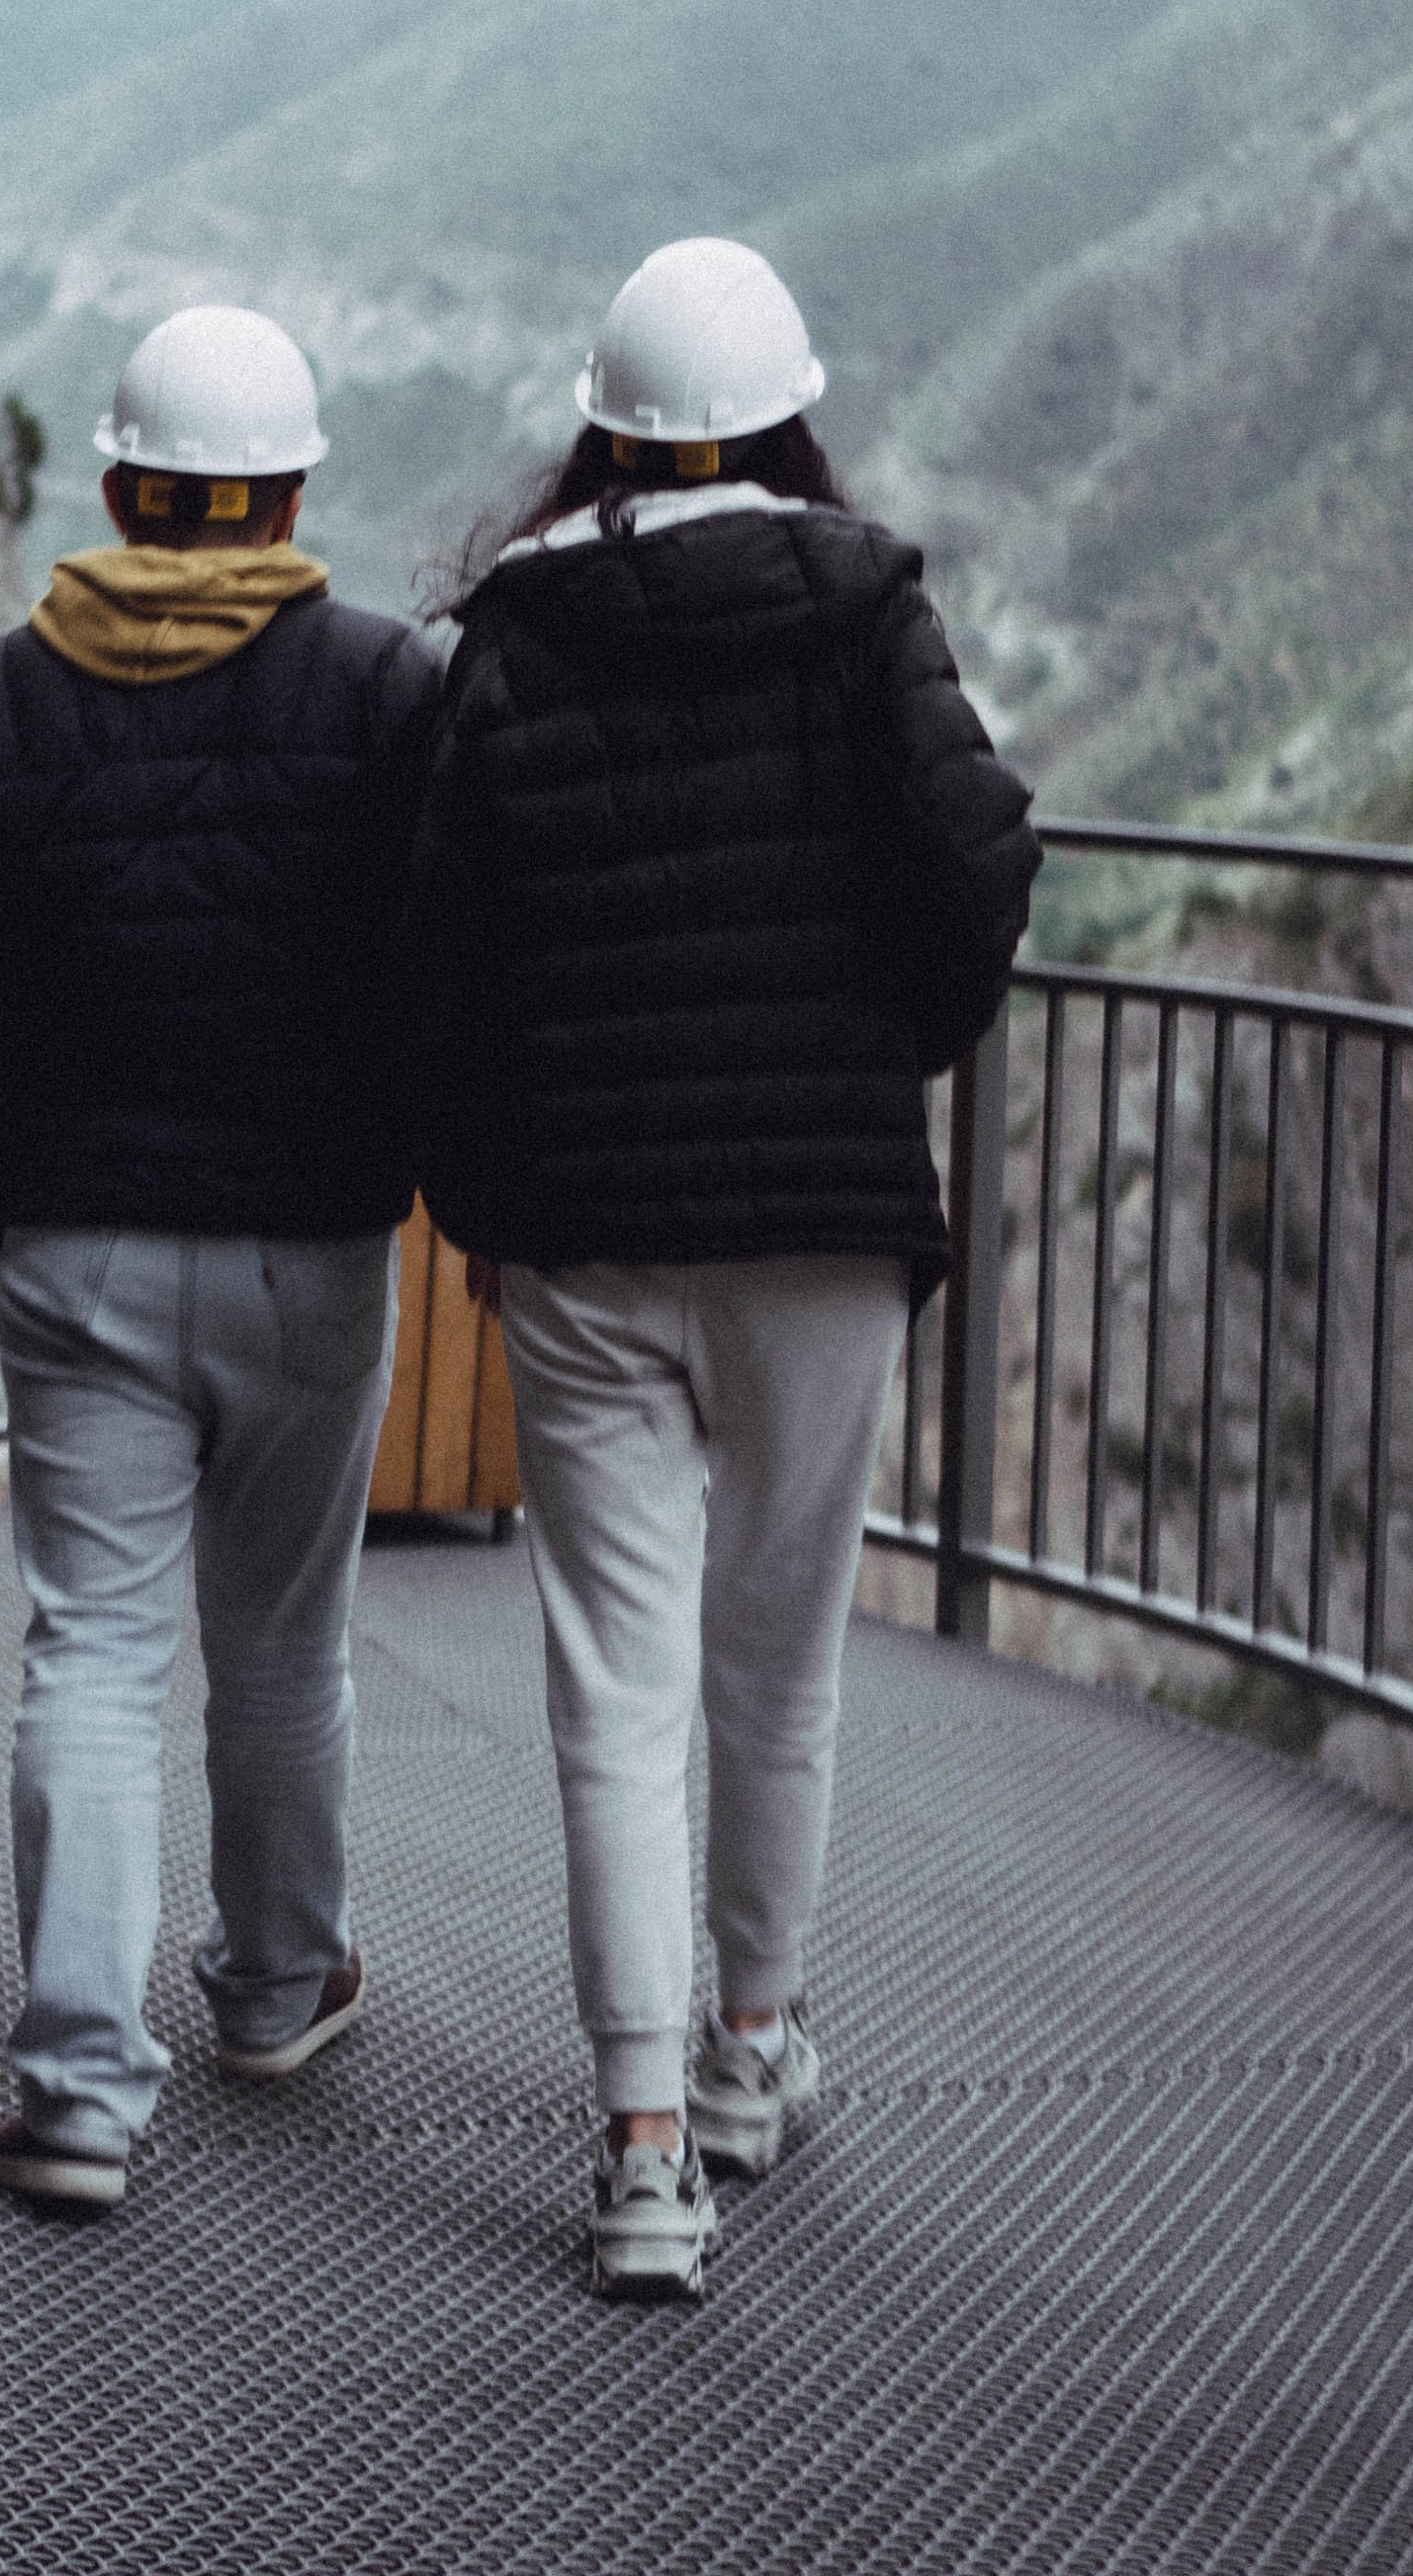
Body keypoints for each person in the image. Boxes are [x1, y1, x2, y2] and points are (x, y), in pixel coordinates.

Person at [410, 238, 1038, 2298]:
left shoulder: (509, 628)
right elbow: (975, 868)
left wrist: (496, 1203)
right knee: (779, 1670)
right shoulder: (864, 606)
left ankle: (644, 2149)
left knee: (613, 1688)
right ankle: (758, 2049)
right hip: (821, 1235)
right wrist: (875, 1060)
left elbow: (440, 961)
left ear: (603, 417)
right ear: (784, 410)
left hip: (588, 1229)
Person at [0, 303, 441, 2211]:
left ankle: (82, 2090)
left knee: (92, 1654)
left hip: (79, 1252)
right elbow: (462, 968)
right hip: (315, 1256)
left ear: (115, 485)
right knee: (282, 1647)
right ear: (287, 496)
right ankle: (276, 1987)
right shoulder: (387, 696)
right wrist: (405, 1158)